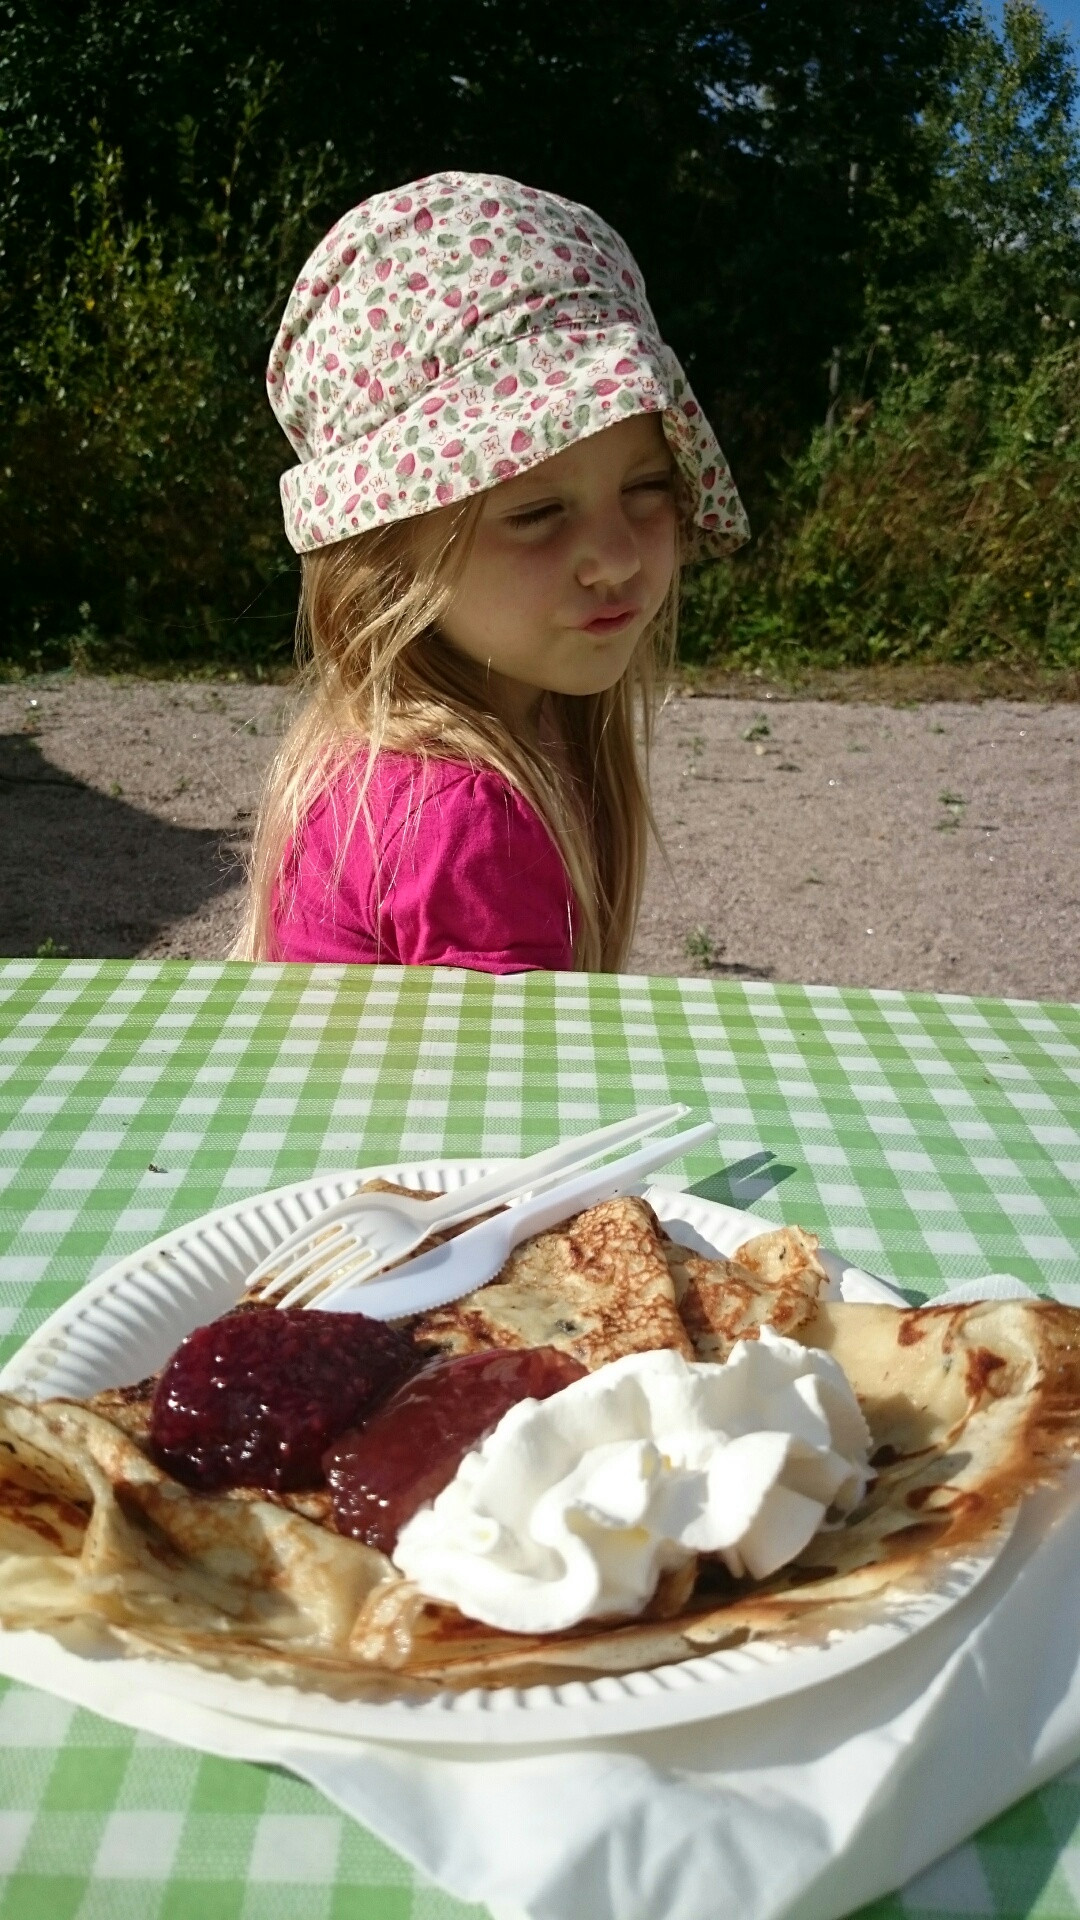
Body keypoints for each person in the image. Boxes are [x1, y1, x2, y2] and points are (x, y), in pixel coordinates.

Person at [234, 171, 748, 974]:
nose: (616, 556)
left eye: (647, 487)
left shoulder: (419, 746)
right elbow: (517, 1065)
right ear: (385, 554)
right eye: (537, 512)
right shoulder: (466, 819)